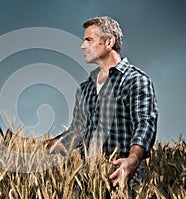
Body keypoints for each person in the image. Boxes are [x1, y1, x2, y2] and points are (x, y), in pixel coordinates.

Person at [45, 16, 158, 196]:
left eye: (89, 40)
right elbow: (77, 130)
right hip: (87, 180)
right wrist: (44, 146)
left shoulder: (136, 80)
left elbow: (144, 123)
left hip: (122, 177)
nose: (83, 46)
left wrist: (133, 159)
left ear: (109, 42)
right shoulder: (85, 87)